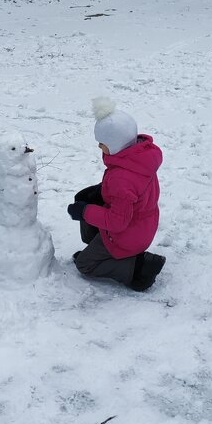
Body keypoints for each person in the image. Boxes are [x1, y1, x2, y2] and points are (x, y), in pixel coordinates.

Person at [66, 98, 166, 292]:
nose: (99, 147)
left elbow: (117, 222)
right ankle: (103, 252)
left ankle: (139, 267)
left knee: (84, 265)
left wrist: (85, 211)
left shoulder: (122, 179)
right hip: (143, 225)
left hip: (127, 234)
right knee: (91, 203)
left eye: (102, 143)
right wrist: (101, 191)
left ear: (114, 143)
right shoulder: (139, 157)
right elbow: (132, 192)